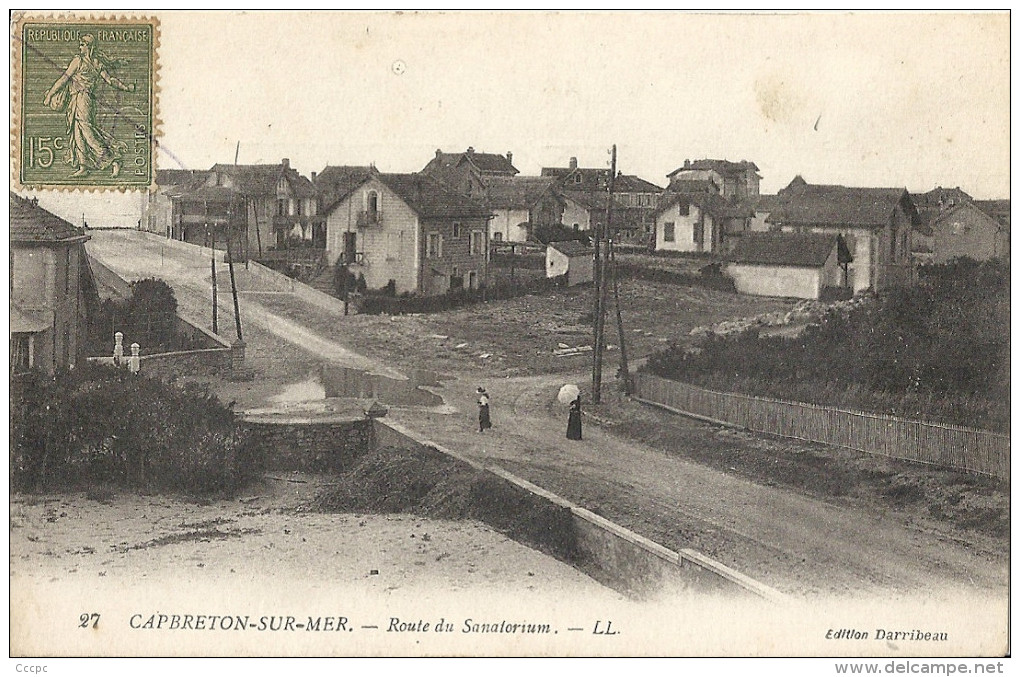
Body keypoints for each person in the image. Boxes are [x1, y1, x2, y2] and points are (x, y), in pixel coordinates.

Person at [42, 34, 135, 178]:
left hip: (83, 99)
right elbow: (110, 80)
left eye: (82, 44)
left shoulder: (79, 61)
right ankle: (83, 166)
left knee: (87, 131)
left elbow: (64, 79)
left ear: (89, 46)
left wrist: (49, 95)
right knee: (78, 131)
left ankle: (113, 159)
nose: (80, 47)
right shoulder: (96, 63)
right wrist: (126, 87)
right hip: (80, 100)